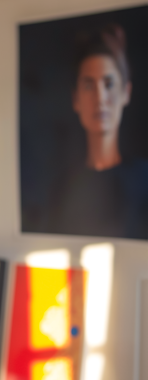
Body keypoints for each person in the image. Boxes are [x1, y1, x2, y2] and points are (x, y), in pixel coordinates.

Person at [48, 24, 148, 240]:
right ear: (76, 99)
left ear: (126, 93)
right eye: (88, 86)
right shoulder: (63, 189)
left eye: (109, 84)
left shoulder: (143, 180)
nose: (100, 98)